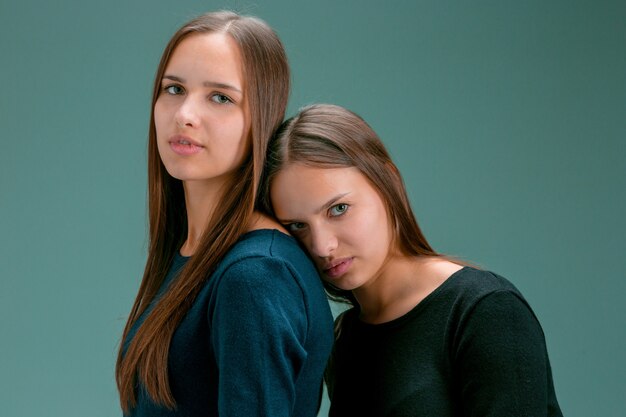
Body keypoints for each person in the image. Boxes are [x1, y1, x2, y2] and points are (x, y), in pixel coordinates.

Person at [263, 103, 563, 416]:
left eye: (338, 209)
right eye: (298, 226)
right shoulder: (343, 337)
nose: (322, 246)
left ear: (388, 182)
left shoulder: (484, 310)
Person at [115, 12, 334, 417]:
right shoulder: (193, 255)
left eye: (220, 97)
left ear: (261, 119)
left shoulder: (254, 276)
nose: (185, 114)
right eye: (174, 89)